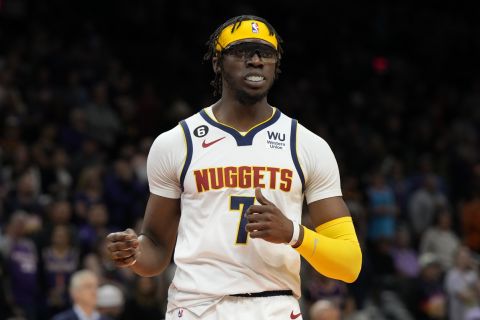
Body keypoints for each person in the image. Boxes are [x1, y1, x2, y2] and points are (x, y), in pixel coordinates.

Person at [106, 15, 362, 319]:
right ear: (217, 62)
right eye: (242, 51)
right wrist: (133, 254)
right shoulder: (177, 143)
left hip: (275, 306)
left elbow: (349, 264)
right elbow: (157, 250)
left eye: (266, 53)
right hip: (196, 306)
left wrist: (294, 233)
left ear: (276, 66)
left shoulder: (307, 145)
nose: (255, 61)